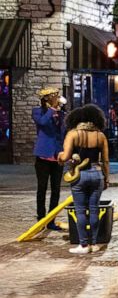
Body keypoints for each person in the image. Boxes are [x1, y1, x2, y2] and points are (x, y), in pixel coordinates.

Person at [58, 105, 110, 254]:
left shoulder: (73, 134)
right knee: (94, 209)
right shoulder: (100, 136)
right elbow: (105, 161)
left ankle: (83, 245)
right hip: (97, 173)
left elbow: (66, 156)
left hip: (79, 174)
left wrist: (60, 156)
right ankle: (94, 244)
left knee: (80, 210)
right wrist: (106, 179)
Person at [32, 87, 65, 231]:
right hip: (43, 155)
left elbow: (64, 131)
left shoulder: (61, 113)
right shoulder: (37, 111)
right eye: (54, 96)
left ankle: (51, 220)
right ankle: (41, 219)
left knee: (56, 189)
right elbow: (43, 123)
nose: (57, 98)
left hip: (57, 155)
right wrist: (52, 110)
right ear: (46, 98)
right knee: (42, 188)